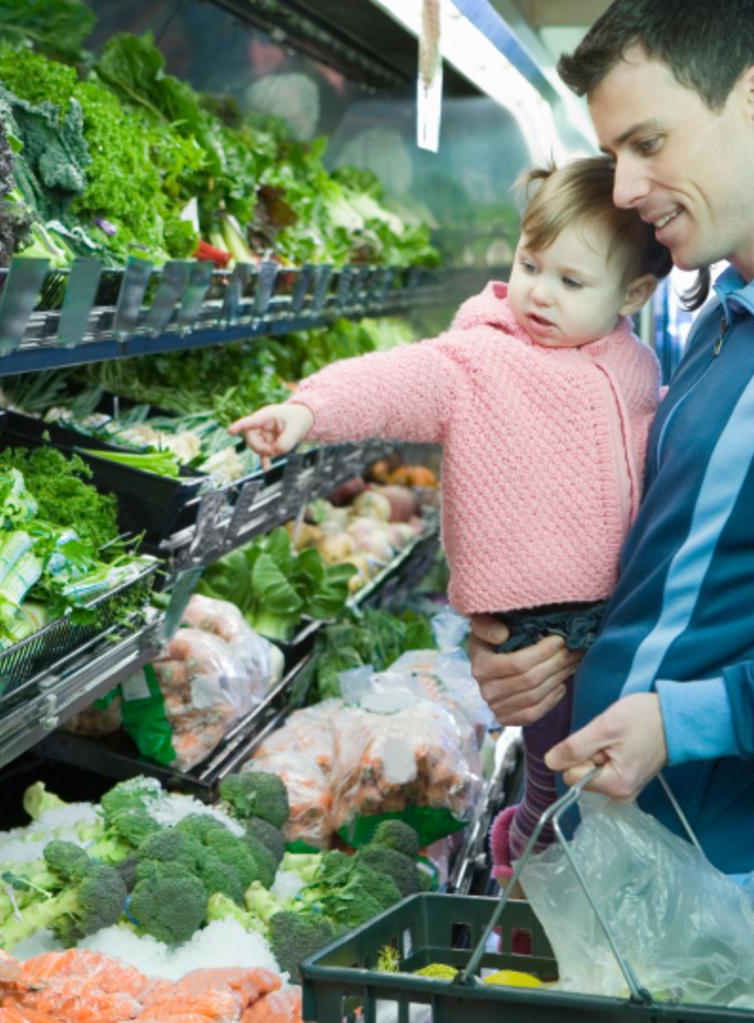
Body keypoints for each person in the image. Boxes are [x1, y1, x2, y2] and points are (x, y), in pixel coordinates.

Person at [230, 156, 671, 877]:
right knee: (558, 766)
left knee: (601, 773)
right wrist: (308, 409)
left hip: (619, 608)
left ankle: (549, 851)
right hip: (535, 617)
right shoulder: (480, 359)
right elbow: (399, 378)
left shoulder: (636, 365)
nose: (540, 294)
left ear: (636, 292)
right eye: (530, 265)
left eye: (571, 281)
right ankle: (525, 856)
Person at [469, 0, 754, 878]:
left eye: (648, 143)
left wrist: (683, 720)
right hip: (635, 864)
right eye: (613, 155)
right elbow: (684, 570)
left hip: (724, 886)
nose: (625, 190)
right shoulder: (718, 324)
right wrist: (548, 644)